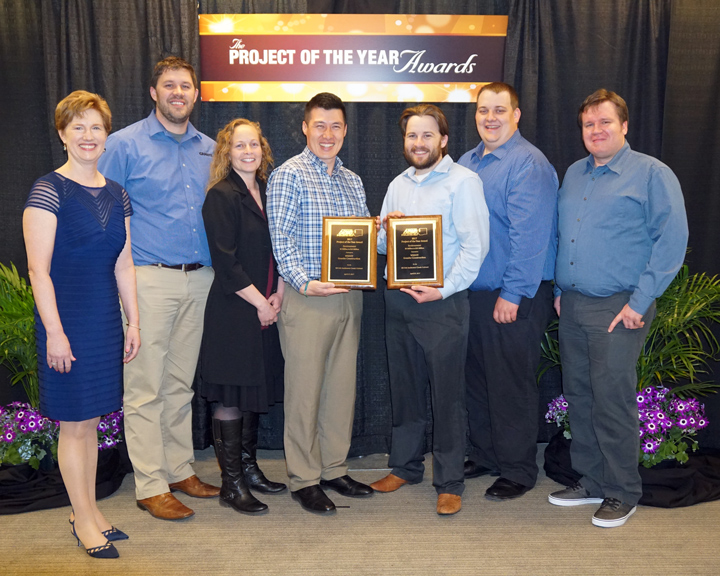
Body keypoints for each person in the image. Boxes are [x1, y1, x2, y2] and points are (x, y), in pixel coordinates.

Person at [549, 89, 688, 527]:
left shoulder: (652, 173)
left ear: (624, 125)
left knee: (612, 401)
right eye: (588, 124)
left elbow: (672, 241)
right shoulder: (574, 173)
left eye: (605, 122)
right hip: (572, 305)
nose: (596, 130)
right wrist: (559, 289)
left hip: (619, 307)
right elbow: (564, 235)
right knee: (580, 396)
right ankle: (591, 480)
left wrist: (640, 302)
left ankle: (622, 490)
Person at [98, 56, 219, 520]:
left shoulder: (211, 149)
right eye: (169, 85)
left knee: (180, 385)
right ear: (154, 92)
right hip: (147, 278)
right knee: (145, 387)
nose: (177, 93)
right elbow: (102, 210)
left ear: (196, 94)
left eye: (185, 86)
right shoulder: (124, 144)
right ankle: (150, 484)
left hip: (200, 278)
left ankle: (179, 469)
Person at [23, 90, 140, 558]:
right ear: (62, 134)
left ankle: (87, 511)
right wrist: (54, 332)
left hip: (104, 322)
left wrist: (133, 321)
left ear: (107, 135)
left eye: (96, 127)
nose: (88, 135)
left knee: (90, 422)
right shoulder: (48, 190)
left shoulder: (117, 193)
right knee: (74, 425)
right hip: (66, 321)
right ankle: (84, 519)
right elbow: (38, 271)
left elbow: (124, 264)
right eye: (78, 127)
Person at [370, 104, 490, 515]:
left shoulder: (464, 182)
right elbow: (382, 248)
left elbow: (475, 248)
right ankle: (405, 467)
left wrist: (444, 290)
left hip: (443, 305)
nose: (418, 143)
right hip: (399, 300)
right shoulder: (397, 184)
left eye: (426, 135)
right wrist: (385, 230)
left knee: (447, 396)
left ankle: (450, 481)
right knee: (404, 389)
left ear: (443, 139)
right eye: (411, 136)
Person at [267, 92, 374, 513]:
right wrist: (305, 283)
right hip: (308, 300)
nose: (327, 134)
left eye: (335, 126)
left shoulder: (352, 180)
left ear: (345, 130)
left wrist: (385, 231)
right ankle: (304, 478)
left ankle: (333, 468)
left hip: (349, 298)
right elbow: (281, 240)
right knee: (305, 392)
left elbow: (362, 240)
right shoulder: (288, 175)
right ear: (305, 129)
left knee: (340, 390)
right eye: (319, 126)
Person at [458, 82, 558, 500]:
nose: (490, 118)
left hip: (513, 294)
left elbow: (530, 238)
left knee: (510, 385)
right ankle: (486, 454)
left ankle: (518, 469)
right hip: (474, 294)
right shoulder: (466, 162)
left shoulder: (527, 164)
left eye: (500, 110)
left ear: (516, 115)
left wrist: (513, 294)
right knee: (478, 381)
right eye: (484, 110)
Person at [200, 118, 287, 514]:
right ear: (227, 152)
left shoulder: (269, 192)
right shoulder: (221, 196)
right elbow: (226, 263)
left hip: (266, 306)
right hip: (235, 311)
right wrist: (260, 303)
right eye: (239, 145)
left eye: (254, 144)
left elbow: (281, 248)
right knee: (231, 396)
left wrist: (279, 293)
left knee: (252, 390)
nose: (248, 151)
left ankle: (249, 470)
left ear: (262, 149)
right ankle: (231, 484)